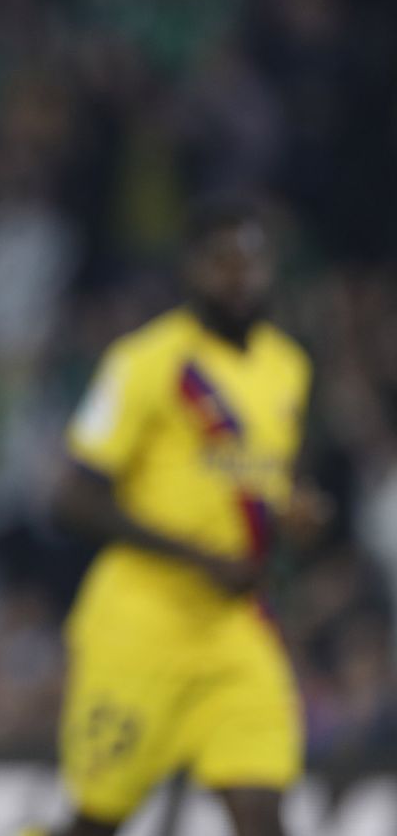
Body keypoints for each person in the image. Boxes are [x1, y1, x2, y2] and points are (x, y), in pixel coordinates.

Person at [45, 199, 314, 836]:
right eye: (222, 262)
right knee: (97, 821)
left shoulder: (287, 367)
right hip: (142, 623)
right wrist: (200, 558)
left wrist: (291, 518)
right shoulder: (145, 362)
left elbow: (250, 489)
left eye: (250, 262)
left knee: (263, 814)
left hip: (235, 628)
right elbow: (73, 497)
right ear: (192, 269)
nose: (238, 277)